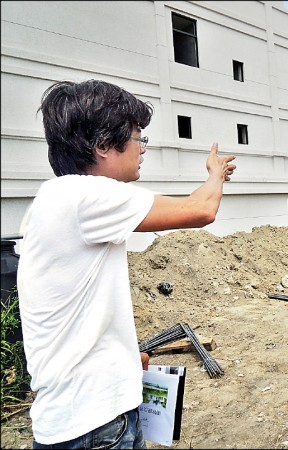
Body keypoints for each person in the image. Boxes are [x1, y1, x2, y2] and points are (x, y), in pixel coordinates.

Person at [16, 79, 236, 449]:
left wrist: (122, 357)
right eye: (138, 138)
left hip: (90, 415)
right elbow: (200, 210)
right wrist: (215, 175)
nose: (143, 149)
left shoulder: (59, 199)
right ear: (102, 144)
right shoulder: (86, 195)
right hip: (93, 426)